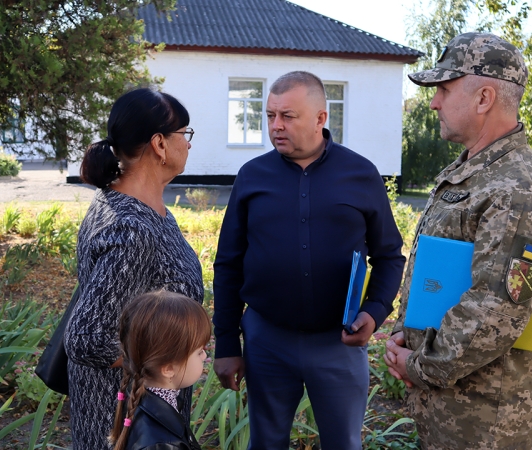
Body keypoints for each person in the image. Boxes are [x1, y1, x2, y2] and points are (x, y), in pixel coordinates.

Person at [383, 32, 532, 449]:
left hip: (485, 423)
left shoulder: (519, 192)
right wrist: (407, 335)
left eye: (445, 89)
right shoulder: (477, 175)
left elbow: (494, 308)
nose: (434, 102)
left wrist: (419, 364)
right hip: (451, 409)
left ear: (484, 98)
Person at [213, 71, 406, 450]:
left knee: (343, 445)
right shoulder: (252, 176)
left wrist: (374, 311)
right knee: (266, 443)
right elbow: (228, 263)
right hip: (267, 339)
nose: (275, 126)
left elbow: (388, 256)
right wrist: (226, 344)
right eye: (270, 115)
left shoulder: (361, 174)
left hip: (339, 343)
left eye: (288, 116)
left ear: (321, 118)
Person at [64, 88, 203, 450]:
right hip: (125, 421)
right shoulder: (132, 228)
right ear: (159, 144)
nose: (188, 144)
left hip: (144, 410)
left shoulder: (135, 206)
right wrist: (166, 360)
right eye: (184, 134)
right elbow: (86, 337)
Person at [108, 290, 210, 450]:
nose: (204, 356)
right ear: (168, 369)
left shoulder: (144, 402)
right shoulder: (162, 444)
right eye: (199, 352)